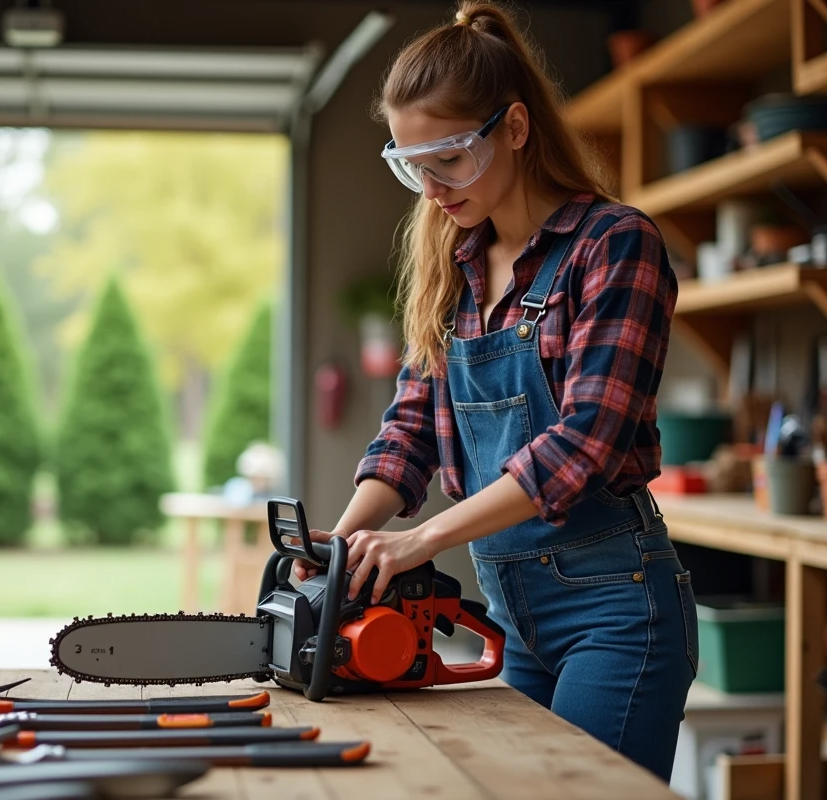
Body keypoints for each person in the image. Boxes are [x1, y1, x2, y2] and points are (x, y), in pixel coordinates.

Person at [292, 0, 697, 782]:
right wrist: (341, 549)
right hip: (508, 620)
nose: (431, 186)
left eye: (447, 157)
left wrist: (422, 540)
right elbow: (409, 431)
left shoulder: (614, 247)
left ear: (513, 128)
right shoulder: (458, 268)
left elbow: (585, 442)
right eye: (412, 164)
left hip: (615, 618)